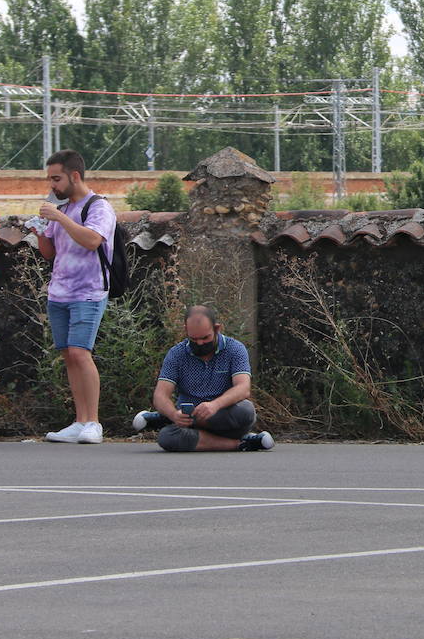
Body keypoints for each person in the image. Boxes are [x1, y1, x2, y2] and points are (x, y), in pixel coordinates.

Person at [35, 149, 116, 444]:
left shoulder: (99, 207)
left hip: (89, 291)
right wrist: (41, 232)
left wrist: (58, 216)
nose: (52, 185)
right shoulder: (61, 208)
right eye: (50, 179)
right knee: (69, 355)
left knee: (82, 353)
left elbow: (92, 240)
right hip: (59, 292)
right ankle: (79, 420)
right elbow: (50, 253)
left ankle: (94, 422)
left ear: (75, 176)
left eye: (56, 178)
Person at [131, 306, 273, 452]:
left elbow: (243, 388)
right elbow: (160, 395)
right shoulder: (176, 354)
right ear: (186, 329)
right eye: (194, 339)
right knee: (166, 437)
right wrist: (174, 414)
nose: (200, 343)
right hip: (188, 421)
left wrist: (214, 405)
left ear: (217, 328)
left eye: (205, 338)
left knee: (246, 411)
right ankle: (241, 443)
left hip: (224, 415)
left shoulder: (235, 349)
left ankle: (163, 419)